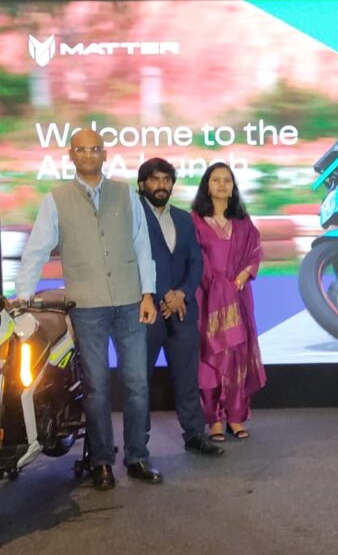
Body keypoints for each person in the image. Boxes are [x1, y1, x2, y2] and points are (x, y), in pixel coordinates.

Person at [16, 129, 162, 490]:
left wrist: (148, 293)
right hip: (86, 306)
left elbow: (142, 246)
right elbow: (37, 249)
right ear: (71, 155)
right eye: (81, 149)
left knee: (137, 384)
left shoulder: (126, 194)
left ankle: (137, 456)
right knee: (97, 388)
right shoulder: (56, 199)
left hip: (130, 302)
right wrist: (22, 295)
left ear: (104, 153)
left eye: (94, 148)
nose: (88, 154)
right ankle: (101, 462)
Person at [137, 157, 223, 457]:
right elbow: (132, 264)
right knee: (139, 381)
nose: (161, 186)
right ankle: (138, 444)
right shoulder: (132, 218)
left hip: (183, 310)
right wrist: (164, 296)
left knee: (187, 377)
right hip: (146, 311)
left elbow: (195, 262)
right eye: (155, 179)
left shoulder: (184, 219)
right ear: (142, 184)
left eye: (166, 180)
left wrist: (182, 294)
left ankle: (195, 434)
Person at [191, 162, 266, 442]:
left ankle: (235, 417)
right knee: (210, 359)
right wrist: (219, 285)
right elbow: (194, 258)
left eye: (227, 180)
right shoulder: (194, 221)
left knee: (237, 356)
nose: (222, 184)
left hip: (238, 296)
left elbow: (254, 253)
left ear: (233, 187)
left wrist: (240, 279)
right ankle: (213, 420)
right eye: (216, 180)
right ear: (206, 186)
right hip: (207, 298)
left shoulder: (243, 222)